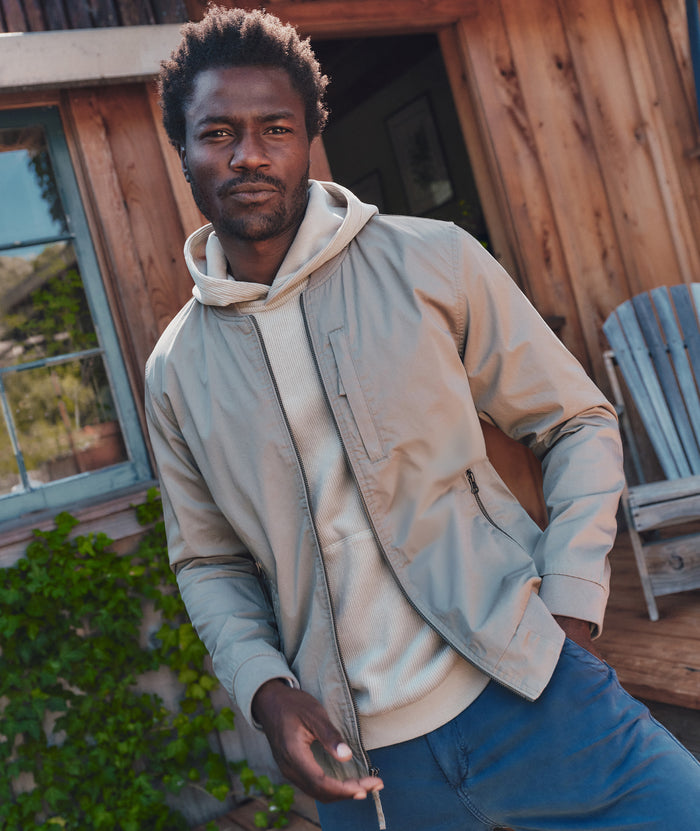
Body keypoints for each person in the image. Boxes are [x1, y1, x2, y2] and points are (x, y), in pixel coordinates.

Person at [146, 6, 700, 830]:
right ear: (184, 150)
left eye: (275, 128)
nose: (249, 154)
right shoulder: (174, 370)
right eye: (218, 133)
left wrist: (573, 601)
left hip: (531, 688)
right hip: (365, 766)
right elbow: (208, 560)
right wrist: (265, 689)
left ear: (310, 139)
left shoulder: (433, 260)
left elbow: (578, 419)